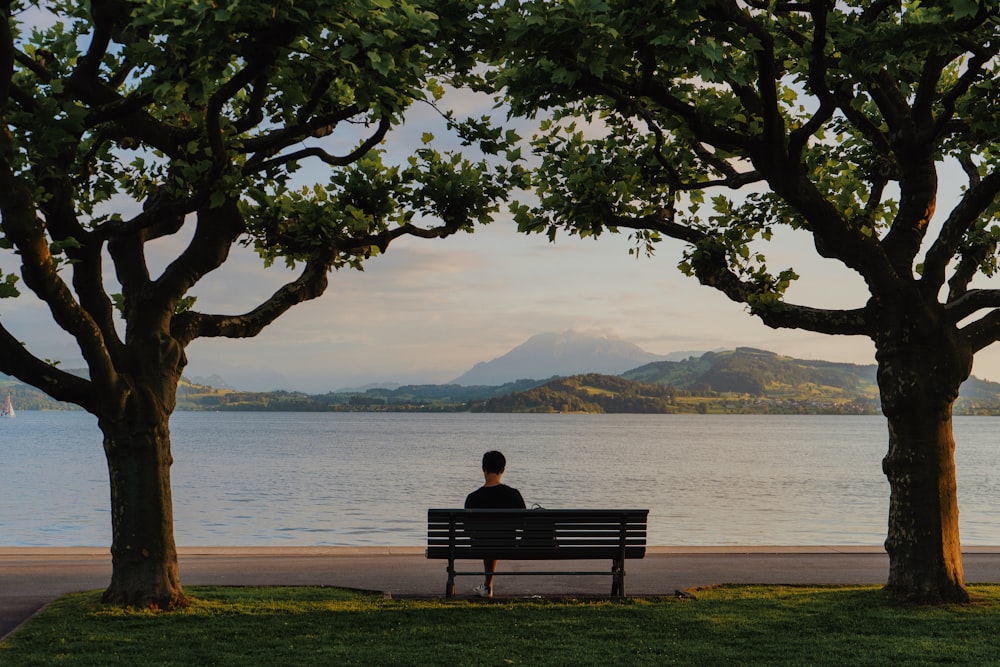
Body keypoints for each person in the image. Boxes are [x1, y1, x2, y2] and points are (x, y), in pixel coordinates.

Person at [464, 450, 525, 598]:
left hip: (480, 545)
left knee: (487, 540)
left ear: (483, 469)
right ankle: (487, 586)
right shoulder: (513, 495)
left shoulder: (472, 498)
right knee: (495, 539)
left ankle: (487, 586)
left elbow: (467, 529)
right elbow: (525, 524)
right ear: (503, 470)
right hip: (508, 544)